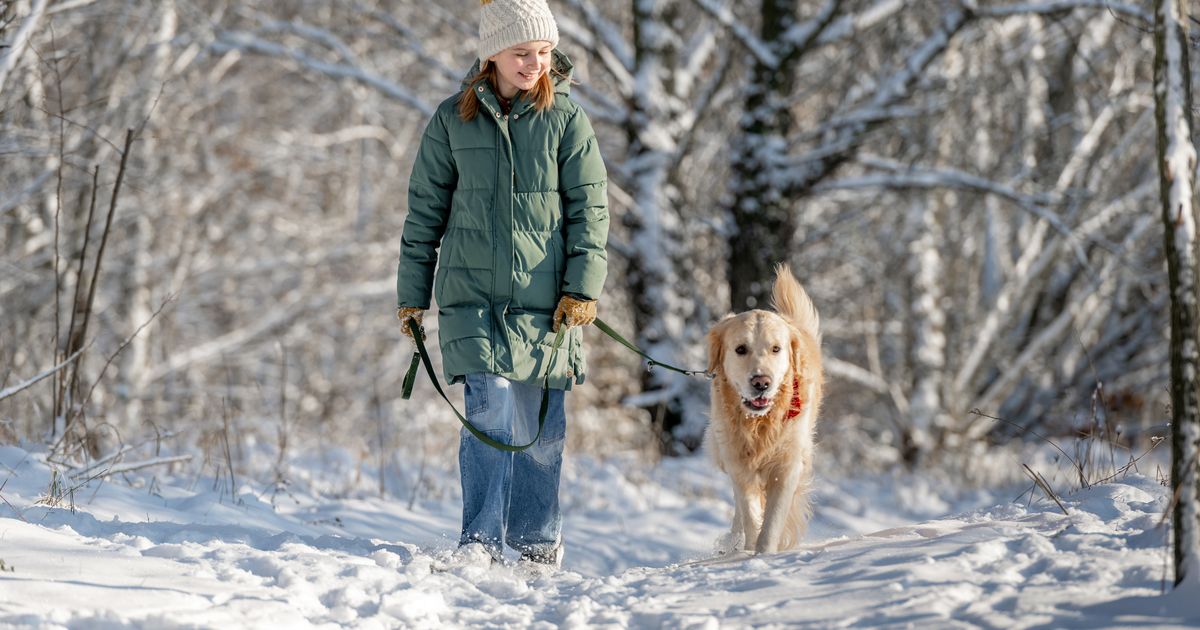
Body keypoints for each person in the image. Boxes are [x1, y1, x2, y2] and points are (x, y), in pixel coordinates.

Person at [395, 0, 609, 568]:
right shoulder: (451, 119)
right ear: (491, 53)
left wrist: (583, 289)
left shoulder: (567, 119)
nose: (535, 63)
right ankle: (481, 544)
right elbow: (423, 215)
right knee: (487, 416)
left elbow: (591, 211)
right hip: (471, 299)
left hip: (547, 304)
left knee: (541, 430)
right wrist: (412, 295)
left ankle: (537, 545)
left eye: (543, 51)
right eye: (522, 52)